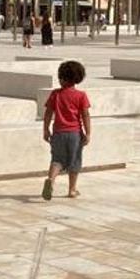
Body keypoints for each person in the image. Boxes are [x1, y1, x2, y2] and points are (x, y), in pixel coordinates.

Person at [41, 60, 91, 201]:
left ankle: (51, 180)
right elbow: (85, 115)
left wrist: (45, 130)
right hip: (75, 134)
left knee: (57, 160)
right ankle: (72, 189)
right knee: (74, 161)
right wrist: (88, 133)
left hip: (58, 133)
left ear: (62, 78)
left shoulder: (55, 94)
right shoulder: (81, 96)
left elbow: (48, 114)